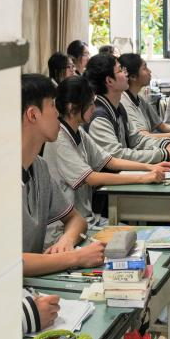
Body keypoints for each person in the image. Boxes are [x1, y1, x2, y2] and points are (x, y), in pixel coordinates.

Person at [45, 75, 170, 229]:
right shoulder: (59, 139)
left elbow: (110, 160)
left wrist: (149, 167)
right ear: (72, 108)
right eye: (90, 104)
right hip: (65, 228)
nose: (93, 108)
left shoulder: (79, 131)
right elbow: (91, 178)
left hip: (86, 219)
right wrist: (142, 178)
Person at [20, 74, 106, 277]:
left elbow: (76, 219)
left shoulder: (39, 167)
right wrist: (75, 257)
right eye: (52, 105)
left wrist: (67, 240)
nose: (58, 113)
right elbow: (6, 263)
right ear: (33, 115)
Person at [83, 54, 170, 163]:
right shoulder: (99, 117)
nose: (126, 74)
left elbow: (137, 139)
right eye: (120, 70)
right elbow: (117, 156)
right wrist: (163, 153)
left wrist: (165, 144)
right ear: (109, 81)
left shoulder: (118, 108)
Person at [119, 53, 170, 140]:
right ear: (133, 77)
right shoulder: (124, 102)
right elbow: (143, 137)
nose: (149, 71)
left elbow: (162, 126)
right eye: (144, 68)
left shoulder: (139, 99)